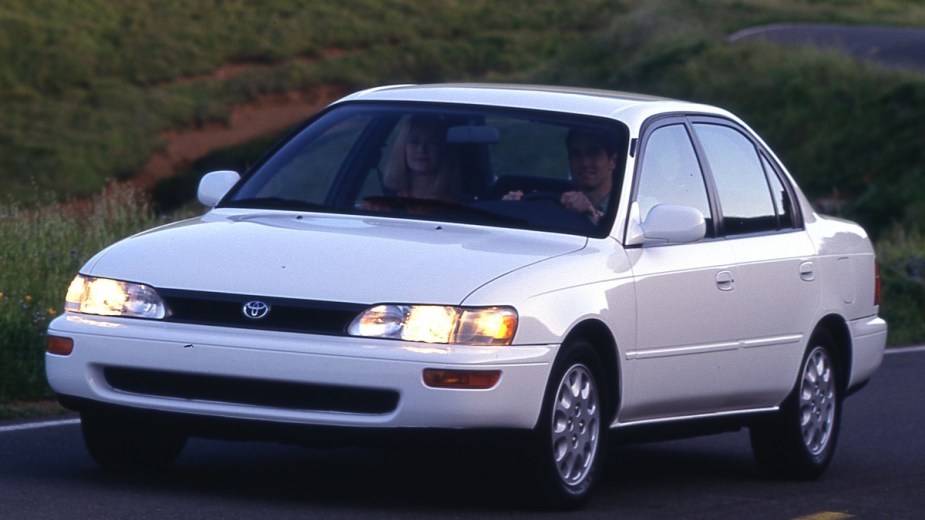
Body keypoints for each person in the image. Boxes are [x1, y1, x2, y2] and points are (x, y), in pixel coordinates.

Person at [504, 128, 618, 224]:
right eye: (576, 154)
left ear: (612, 161)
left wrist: (594, 218)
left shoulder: (625, 208)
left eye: (593, 154)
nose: (584, 163)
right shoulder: (558, 201)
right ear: (569, 159)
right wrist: (509, 208)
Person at [382, 115, 461, 202]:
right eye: (414, 142)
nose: (422, 149)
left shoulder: (455, 207)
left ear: (443, 150)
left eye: (432, 142)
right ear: (403, 149)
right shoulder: (382, 204)